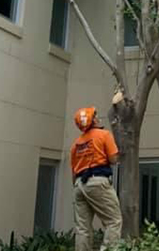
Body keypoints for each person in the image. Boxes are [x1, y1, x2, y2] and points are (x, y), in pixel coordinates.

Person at [71, 107, 122, 251]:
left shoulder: (76, 144)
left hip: (79, 185)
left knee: (82, 228)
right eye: (95, 115)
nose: (98, 117)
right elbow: (113, 159)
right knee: (113, 221)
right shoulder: (104, 135)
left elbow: (73, 173)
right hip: (97, 181)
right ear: (92, 120)